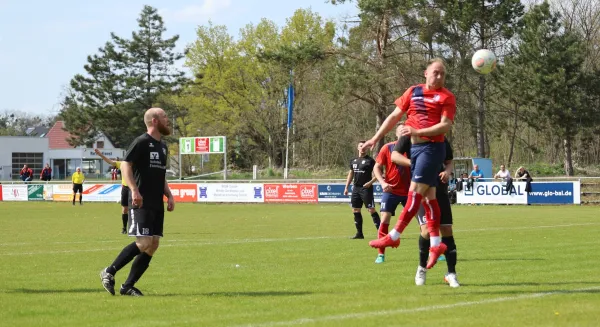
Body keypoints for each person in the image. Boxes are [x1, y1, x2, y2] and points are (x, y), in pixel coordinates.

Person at [361, 58, 456, 269]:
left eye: (443, 74)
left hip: (431, 149)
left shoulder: (446, 96)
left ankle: (394, 235)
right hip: (416, 149)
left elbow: (445, 126)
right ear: (426, 73)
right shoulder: (413, 91)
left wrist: (417, 132)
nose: (439, 76)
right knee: (430, 198)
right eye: (436, 72)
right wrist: (374, 139)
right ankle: (435, 244)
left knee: (414, 193)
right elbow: (394, 116)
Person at [100, 107, 175, 297]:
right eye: (165, 117)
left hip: (156, 203)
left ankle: (127, 286)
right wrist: (134, 190)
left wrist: (169, 194)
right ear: (155, 121)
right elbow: (126, 164)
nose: (168, 120)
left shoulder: (163, 146)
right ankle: (109, 271)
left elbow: (160, 174)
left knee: (153, 244)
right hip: (141, 201)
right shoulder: (141, 142)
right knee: (143, 242)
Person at [392, 135, 460, 287]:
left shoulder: (441, 137)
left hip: (440, 190)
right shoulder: (409, 136)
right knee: (427, 231)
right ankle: (422, 268)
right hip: (421, 192)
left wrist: (447, 172)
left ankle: (451, 274)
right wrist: (415, 164)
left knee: (447, 229)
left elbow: (449, 161)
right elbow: (394, 156)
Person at [372, 124, 411, 264]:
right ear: (396, 134)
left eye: (405, 130)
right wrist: (382, 183)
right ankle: (381, 254)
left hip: (411, 191)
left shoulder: (414, 147)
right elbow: (377, 167)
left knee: (423, 220)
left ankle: (434, 248)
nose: (403, 132)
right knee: (384, 219)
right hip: (391, 191)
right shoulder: (387, 147)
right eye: (401, 130)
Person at [344, 141, 380, 239]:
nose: (362, 148)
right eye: (361, 146)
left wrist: (370, 182)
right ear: (358, 148)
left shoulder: (370, 161)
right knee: (355, 209)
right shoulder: (353, 160)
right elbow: (351, 173)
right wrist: (346, 187)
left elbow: (379, 173)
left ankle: (382, 233)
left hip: (366, 189)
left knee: (371, 209)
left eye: (365, 146)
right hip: (356, 188)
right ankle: (359, 234)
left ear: (367, 148)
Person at [95, 149, 130, 234]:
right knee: (125, 209)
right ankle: (124, 228)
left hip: (135, 188)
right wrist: (100, 155)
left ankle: (137, 228)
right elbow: (110, 161)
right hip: (125, 188)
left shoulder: (137, 164)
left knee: (136, 209)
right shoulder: (122, 164)